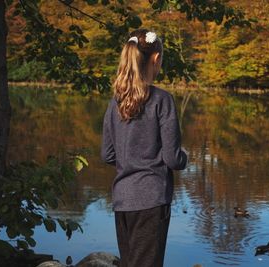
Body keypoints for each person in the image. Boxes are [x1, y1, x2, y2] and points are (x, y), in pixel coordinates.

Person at [100, 28, 188, 267]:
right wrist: (184, 157)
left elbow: (107, 154)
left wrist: (129, 160)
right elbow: (172, 158)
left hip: (122, 199)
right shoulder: (162, 100)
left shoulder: (115, 102)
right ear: (156, 59)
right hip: (151, 199)